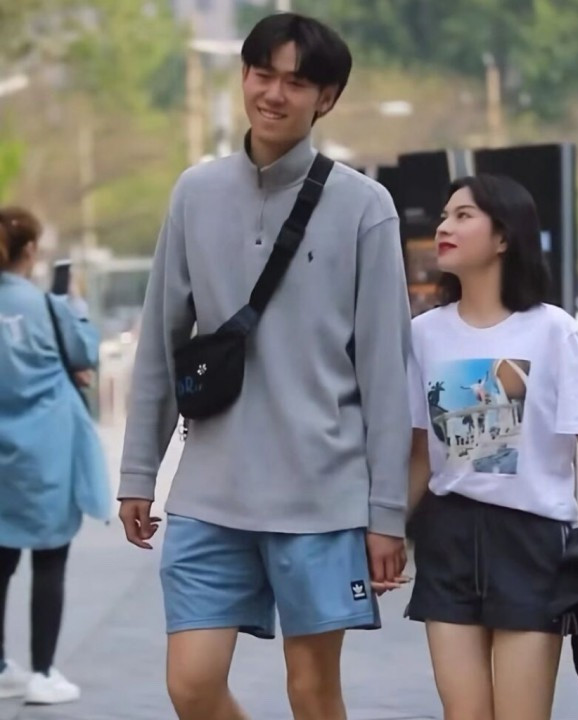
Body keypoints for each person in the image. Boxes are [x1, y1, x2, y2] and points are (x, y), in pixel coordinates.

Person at [117, 12, 411, 720]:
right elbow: (162, 343)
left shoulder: (365, 207)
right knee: (191, 685)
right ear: (243, 77)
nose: (273, 94)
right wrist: (137, 472)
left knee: (312, 691)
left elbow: (386, 373)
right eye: (261, 74)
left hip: (322, 498)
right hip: (210, 493)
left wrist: (387, 514)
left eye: (296, 83)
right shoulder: (194, 193)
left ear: (326, 98)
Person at [405, 175, 578, 720]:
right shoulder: (424, 334)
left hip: (532, 543)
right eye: (445, 215)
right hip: (448, 538)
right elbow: (419, 452)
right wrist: (384, 530)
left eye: (463, 216)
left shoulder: (554, 331)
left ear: (503, 237)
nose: (444, 226)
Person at [0, 207, 110, 705]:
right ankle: (43, 673)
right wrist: (76, 306)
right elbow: (84, 354)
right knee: (49, 559)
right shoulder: (47, 306)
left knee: (1, 558)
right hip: (46, 450)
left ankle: (1, 666)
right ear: (29, 250)